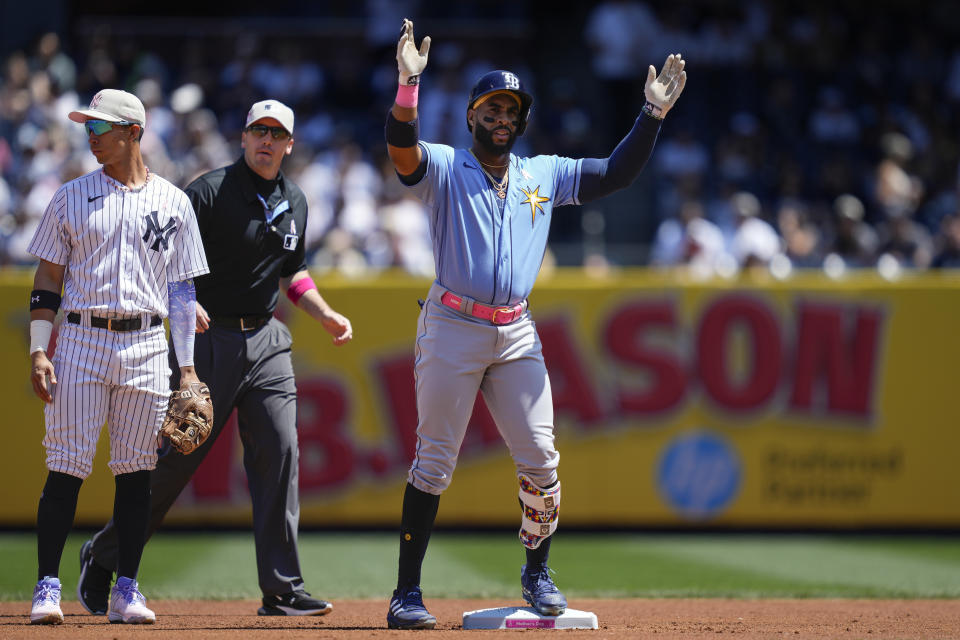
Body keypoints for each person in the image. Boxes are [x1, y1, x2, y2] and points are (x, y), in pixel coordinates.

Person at [383, 19, 686, 629]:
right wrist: (408, 88)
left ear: (521, 121)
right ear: (472, 116)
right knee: (434, 461)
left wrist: (650, 119)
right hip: (454, 324)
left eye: (512, 109)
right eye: (492, 106)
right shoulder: (446, 164)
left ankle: (537, 573)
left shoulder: (541, 173)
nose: (503, 116)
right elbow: (402, 155)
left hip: (515, 330)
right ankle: (407, 593)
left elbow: (616, 175)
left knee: (541, 457)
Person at [77, 99, 354, 617]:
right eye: (258, 131)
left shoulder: (295, 199)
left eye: (277, 133)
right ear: (244, 138)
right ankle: (104, 554)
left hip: (267, 340)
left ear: (290, 144)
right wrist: (185, 302)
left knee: (281, 452)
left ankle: (281, 588)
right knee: (175, 461)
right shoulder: (206, 192)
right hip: (205, 341)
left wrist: (325, 313)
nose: (267, 140)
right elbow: (156, 256)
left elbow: (292, 273)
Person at [27, 88, 209, 625]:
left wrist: (190, 369)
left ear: (133, 131)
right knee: (65, 468)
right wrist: (40, 350)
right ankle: (46, 587)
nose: (91, 135)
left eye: (101, 127)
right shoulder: (70, 196)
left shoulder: (175, 202)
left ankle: (126, 589)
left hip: (148, 344)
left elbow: (181, 292)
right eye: (88, 126)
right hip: (81, 338)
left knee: (137, 473)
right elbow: (47, 279)